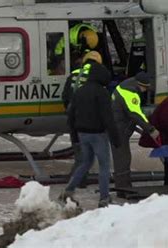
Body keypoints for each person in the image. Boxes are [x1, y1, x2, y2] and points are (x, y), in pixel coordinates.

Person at [59, 57, 120, 208]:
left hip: (82, 133)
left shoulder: (79, 91)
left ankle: (68, 190)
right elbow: (108, 118)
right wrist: (115, 138)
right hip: (98, 134)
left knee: (85, 163)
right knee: (104, 166)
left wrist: (74, 136)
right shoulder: (102, 93)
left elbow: (71, 114)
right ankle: (104, 198)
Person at [111, 71, 159, 190]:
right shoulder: (130, 92)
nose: (145, 91)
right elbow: (135, 113)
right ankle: (123, 188)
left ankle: (123, 186)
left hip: (117, 127)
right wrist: (150, 129)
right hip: (119, 130)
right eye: (145, 88)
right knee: (123, 158)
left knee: (122, 157)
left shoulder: (126, 85)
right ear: (140, 85)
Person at [62, 51, 103, 188]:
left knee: (78, 147)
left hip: (72, 117)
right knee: (87, 154)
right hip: (88, 118)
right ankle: (76, 180)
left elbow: (65, 96)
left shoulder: (74, 74)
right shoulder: (96, 76)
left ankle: (79, 178)